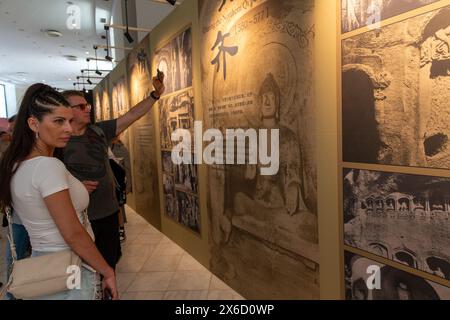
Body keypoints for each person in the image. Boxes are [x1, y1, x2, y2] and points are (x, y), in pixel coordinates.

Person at [0, 83, 118, 300]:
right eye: (58, 121)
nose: (69, 129)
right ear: (33, 124)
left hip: (42, 263)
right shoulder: (47, 167)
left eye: (70, 121)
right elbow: (72, 233)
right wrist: (106, 270)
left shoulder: (17, 164)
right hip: (69, 265)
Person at [62, 73, 165, 269]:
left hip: (107, 212)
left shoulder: (99, 130)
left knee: (110, 262)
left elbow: (132, 115)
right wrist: (75, 187)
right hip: (78, 218)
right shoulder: (58, 141)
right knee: (82, 268)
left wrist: (155, 95)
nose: (88, 109)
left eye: (88, 105)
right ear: (66, 111)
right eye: (81, 107)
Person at [2, 115, 33, 300]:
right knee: (13, 261)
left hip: (41, 220)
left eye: (14, 130)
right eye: (9, 130)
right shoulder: (9, 155)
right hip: (18, 220)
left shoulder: (39, 153)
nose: (10, 134)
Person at [110, 135, 132, 242]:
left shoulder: (121, 149)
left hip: (118, 184)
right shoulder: (102, 148)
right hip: (109, 184)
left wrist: (128, 186)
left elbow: (127, 168)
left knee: (119, 206)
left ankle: (121, 229)